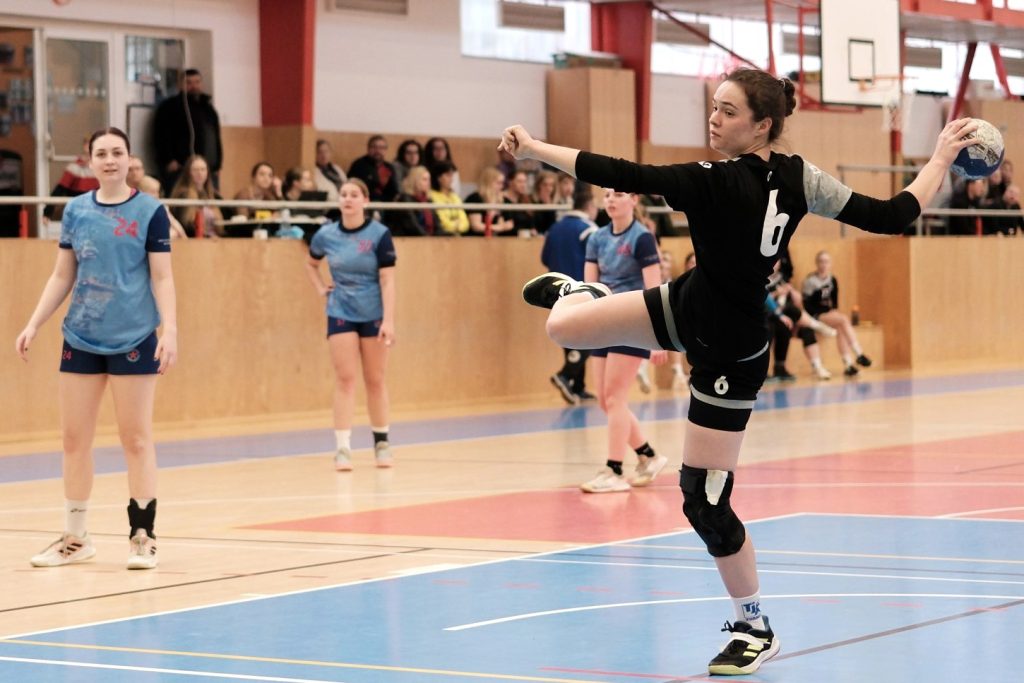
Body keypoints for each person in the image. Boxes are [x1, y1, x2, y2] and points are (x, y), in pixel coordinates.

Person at [502, 66, 978, 675]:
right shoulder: (791, 176)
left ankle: (754, 627)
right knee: (561, 327)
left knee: (704, 501)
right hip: (688, 305)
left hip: (731, 350)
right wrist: (939, 157)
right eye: (714, 106)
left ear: (762, 126)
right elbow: (894, 212)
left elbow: (890, 216)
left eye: (728, 111)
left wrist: (535, 148)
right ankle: (584, 293)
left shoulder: (727, 181)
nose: (714, 118)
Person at [15, 126, 177, 570]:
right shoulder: (76, 210)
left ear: (129, 159)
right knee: (74, 439)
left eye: (117, 152)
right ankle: (76, 537)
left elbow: (162, 276)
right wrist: (34, 323)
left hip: (134, 336)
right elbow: (62, 274)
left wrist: (170, 330)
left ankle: (142, 535)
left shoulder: (150, 211)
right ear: (90, 160)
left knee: (135, 438)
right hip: (81, 336)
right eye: (101, 153)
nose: (109, 160)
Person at [575, 187, 667, 493]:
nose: (611, 200)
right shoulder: (597, 238)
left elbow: (654, 290)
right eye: (607, 196)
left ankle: (613, 471)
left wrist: (656, 339)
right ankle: (648, 456)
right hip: (604, 321)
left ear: (634, 200)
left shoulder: (642, 238)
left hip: (631, 320)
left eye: (618, 194)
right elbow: (589, 286)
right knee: (605, 400)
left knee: (615, 397)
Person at [304, 179, 397, 471]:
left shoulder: (379, 234)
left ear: (365, 201)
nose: (347, 199)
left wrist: (389, 320)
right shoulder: (326, 234)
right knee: (345, 379)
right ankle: (343, 448)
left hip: (373, 314)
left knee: (375, 379)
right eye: (343, 194)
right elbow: (311, 263)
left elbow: (387, 280)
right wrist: (321, 288)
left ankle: (381, 443)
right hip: (340, 311)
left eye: (354, 195)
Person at [541, 190, 599, 404]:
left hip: (557, 290)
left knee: (570, 336)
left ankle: (577, 386)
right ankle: (565, 374)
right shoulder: (588, 229)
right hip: (582, 290)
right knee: (593, 336)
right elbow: (599, 259)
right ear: (589, 206)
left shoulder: (554, 228)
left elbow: (544, 257)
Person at [802, 250, 871, 377]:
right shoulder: (810, 281)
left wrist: (833, 313)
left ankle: (848, 364)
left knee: (841, 327)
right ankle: (859, 353)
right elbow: (806, 305)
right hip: (815, 316)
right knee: (843, 319)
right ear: (816, 263)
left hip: (829, 315)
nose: (824, 264)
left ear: (830, 264)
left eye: (826, 262)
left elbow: (834, 304)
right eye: (821, 261)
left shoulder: (832, 280)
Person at [153, 68, 223, 194]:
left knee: (209, 199)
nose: (193, 86)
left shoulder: (208, 108)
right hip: (179, 167)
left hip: (208, 168)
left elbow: (216, 137)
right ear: (180, 85)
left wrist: (218, 164)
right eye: (188, 82)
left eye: (197, 82)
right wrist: (168, 160)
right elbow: (161, 136)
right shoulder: (169, 107)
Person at [43, 137, 99, 223]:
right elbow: (59, 190)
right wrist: (47, 213)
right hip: (77, 212)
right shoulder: (73, 167)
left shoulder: (100, 169)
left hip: (96, 212)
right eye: (89, 144)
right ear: (85, 146)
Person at [169, 155, 225, 238]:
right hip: (194, 240)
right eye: (195, 170)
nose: (199, 173)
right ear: (188, 173)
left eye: (203, 169)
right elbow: (184, 225)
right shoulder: (182, 195)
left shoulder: (214, 196)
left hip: (216, 240)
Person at [383, 165, 436, 237]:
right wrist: (429, 238)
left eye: (429, 179)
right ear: (415, 180)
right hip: (407, 239)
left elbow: (437, 224)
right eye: (424, 179)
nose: (428, 183)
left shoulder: (428, 200)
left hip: (427, 238)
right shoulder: (405, 199)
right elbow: (412, 226)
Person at [464, 167, 514, 236]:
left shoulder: (503, 200)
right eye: (498, 183)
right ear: (488, 183)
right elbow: (476, 226)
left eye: (502, 183)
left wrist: (491, 227)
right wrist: (499, 227)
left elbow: (509, 224)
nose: (501, 187)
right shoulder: (475, 198)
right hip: (475, 238)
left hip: (496, 238)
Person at [348, 135, 399, 203]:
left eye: (381, 148)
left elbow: (394, 190)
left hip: (386, 203)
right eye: (374, 147)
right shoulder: (359, 165)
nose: (378, 150)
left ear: (385, 150)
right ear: (368, 149)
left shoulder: (389, 167)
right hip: (365, 201)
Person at [138, 175, 188, 240]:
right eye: (153, 192)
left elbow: (174, 222)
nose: (157, 195)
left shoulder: (161, 206)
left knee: (174, 232)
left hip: (161, 239)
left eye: (157, 192)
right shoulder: (138, 208)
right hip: (147, 240)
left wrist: (185, 237)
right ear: (142, 192)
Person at [429, 160, 469, 236]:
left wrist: (458, 226)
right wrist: (455, 225)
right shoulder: (431, 196)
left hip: (458, 236)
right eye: (448, 175)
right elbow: (441, 221)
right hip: (442, 236)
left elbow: (465, 222)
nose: (451, 179)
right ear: (438, 178)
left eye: (452, 175)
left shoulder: (455, 196)